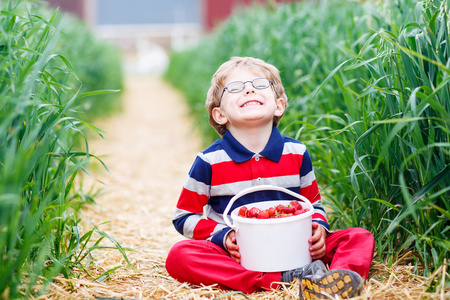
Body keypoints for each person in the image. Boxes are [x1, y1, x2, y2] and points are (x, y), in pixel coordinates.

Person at [165, 57, 374, 299]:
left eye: (260, 85)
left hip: (295, 246)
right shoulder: (210, 161)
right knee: (180, 255)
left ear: (279, 105)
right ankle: (277, 280)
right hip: (241, 254)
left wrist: (319, 228)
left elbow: (313, 204)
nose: (249, 89)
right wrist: (224, 236)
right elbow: (183, 216)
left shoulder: (296, 153)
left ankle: (337, 278)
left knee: (359, 237)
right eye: (235, 88)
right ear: (220, 114)